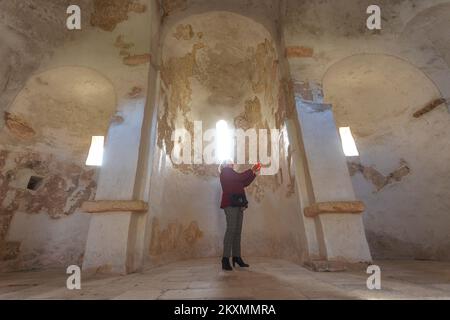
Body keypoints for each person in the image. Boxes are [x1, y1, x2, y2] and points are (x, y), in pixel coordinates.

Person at [219, 159, 261, 271]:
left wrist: (254, 175)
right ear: (225, 164)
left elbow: (244, 183)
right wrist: (251, 169)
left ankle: (237, 257)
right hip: (230, 204)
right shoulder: (225, 172)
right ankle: (225, 259)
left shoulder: (232, 175)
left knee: (237, 232)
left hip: (238, 203)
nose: (232, 163)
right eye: (230, 162)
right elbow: (240, 177)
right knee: (231, 230)